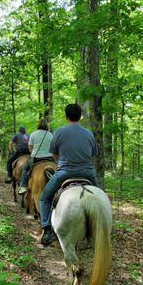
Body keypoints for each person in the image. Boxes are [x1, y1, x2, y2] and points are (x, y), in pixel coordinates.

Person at [39, 103, 100, 246]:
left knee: (45, 197)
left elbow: (54, 154)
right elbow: (92, 155)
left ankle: (47, 229)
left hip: (65, 172)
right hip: (88, 172)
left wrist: (61, 162)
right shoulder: (89, 133)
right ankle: (105, 227)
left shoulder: (59, 132)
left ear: (66, 116)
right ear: (80, 116)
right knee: (101, 197)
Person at [18, 119, 53, 194]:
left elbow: (30, 147)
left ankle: (23, 186)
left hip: (36, 157)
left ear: (38, 125)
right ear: (47, 125)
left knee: (25, 168)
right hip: (49, 158)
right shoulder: (50, 134)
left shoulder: (33, 134)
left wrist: (33, 153)